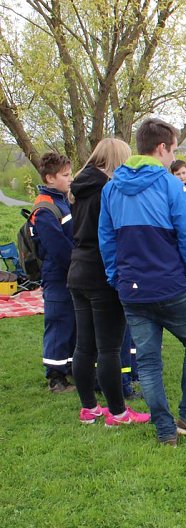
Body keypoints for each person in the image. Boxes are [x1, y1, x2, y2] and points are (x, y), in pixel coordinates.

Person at [99, 117, 186, 446]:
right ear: (161, 148)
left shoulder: (111, 189)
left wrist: (115, 278)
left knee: (148, 362)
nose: (173, 156)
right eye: (174, 149)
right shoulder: (170, 186)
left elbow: (107, 241)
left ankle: (166, 430)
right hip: (172, 287)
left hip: (132, 291)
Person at [68, 138, 150, 426]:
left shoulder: (76, 187)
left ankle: (89, 408)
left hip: (77, 270)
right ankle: (117, 412)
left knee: (84, 346)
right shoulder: (108, 189)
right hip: (100, 272)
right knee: (108, 348)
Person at [30, 152, 76, 393]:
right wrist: (78, 265)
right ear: (49, 178)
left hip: (68, 273)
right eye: (65, 175)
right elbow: (57, 247)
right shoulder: (45, 207)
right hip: (58, 275)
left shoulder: (61, 200)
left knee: (71, 321)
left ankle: (68, 367)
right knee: (58, 323)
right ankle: (56, 378)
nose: (70, 178)